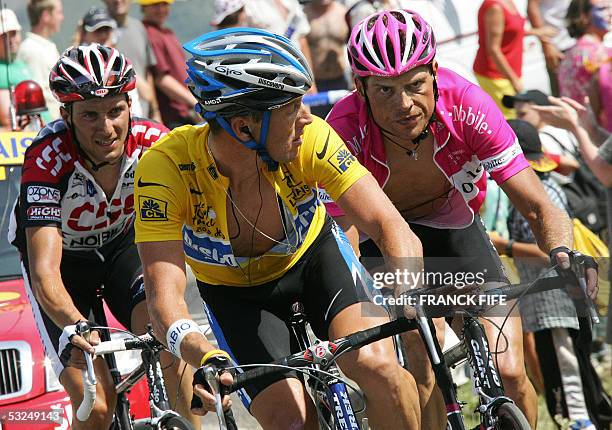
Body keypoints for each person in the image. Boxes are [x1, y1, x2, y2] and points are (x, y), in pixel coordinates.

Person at [134, 27, 423, 429]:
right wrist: (205, 356)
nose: (308, 117)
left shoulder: (310, 139)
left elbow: (388, 223)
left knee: (380, 370)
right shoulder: (165, 168)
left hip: (316, 260)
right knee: (290, 420)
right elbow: (164, 300)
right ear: (244, 127)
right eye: (292, 107)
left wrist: (408, 291)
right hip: (237, 296)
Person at [325, 9, 598, 428]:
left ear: (434, 71)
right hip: (378, 239)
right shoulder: (342, 128)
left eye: (415, 85)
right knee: (422, 356)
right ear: (360, 89)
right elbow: (344, 235)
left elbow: (538, 204)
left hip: (452, 225)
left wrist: (564, 251)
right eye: (385, 91)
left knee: (508, 369)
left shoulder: (468, 105)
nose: (404, 105)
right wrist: (383, 297)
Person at [7, 44, 196, 429]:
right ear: (66, 115)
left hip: (122, 250)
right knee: (96, 405)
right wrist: (76, 326)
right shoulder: (46, 158)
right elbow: (45, 273)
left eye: (115, 111)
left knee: (172, 348)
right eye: (90, 115)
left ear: (130, 105)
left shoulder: (154, 143)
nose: (106, 127)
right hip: (65, 268)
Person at [502, 118, 608, 430]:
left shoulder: (544, 196)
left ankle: (581, 419)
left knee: (567, 359)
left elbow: (552, 252)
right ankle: (577, 416)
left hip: (558, 296)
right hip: (545, 298)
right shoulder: (541, 191)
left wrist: (506, 246)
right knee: (557, 360)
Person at [473, 0, 555, 118]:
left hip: (508, 73)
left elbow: (510, 29)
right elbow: (493, 49)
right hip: (496, 75)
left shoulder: (508, 2)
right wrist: (514, 79)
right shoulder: (495, 7)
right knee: (513, 117)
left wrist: (536, 32)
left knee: (518, 114)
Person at [138, 0, 198, 129]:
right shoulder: (148, 33)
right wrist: (194, 101)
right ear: (144, 7)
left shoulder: (167, 33)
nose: (160, 9)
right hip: (171, 115)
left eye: (164, 4)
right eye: (155, 5)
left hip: (184, 111)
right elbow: (161, 78)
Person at [77, 7, 144, 117]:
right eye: (97, 30)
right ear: (84, 34)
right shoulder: (74, 64)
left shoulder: (121, 64)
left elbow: (143, 97)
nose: (103, 35)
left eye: (106, 30)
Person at [502, 89, 580, 184]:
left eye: (522, 114)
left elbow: (566, 172)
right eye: (516, 114)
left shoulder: (540, 140)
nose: (517, 119)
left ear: (543, 111)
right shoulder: (564, 129)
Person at [103, 0, 159, 121]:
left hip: (143, 114)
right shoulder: (97, 29)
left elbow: (147, 72)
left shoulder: (139, 27)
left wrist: (155, 111)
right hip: (112, 118)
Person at [17, 0, 63, 121]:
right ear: (46, 16)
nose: (62, 18)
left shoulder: (48, 46)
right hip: (47, 125)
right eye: (59, 12)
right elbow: (36, 95)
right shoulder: (31, 49)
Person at [304, 0, 351, 118]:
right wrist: (309, 82)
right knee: (317, 122)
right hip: (315, 84)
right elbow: (301, 48)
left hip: (341, 81)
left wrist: (354, 76)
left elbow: (354, 46)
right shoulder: (304, 15)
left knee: (342, 122)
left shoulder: (344, 13)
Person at [558, 0, 611, 103]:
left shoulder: (573, 50)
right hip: (590, 117)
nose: (610, 13)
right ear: (584, 17)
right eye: (602, 9)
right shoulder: (598, 53)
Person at [0, 8, 39, 130]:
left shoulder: (22, 65)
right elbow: (8, 119)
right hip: (22, 138)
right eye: (4, 36)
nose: (11, 40)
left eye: (14, 34)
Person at [527, 0, 576, 96]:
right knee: (564, 98)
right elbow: (532, 6)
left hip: (579, 42)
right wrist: (547, 44)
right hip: (558, 47)